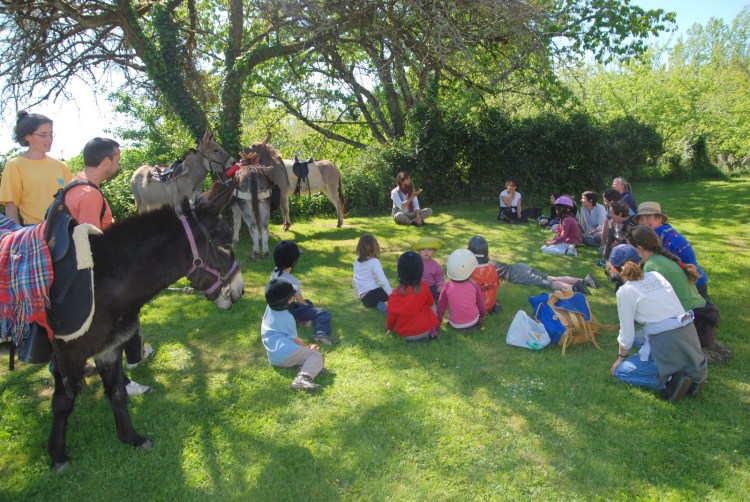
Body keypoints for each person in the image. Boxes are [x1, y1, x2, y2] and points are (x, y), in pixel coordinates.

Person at [64, 138, 154, 396]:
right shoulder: (89, 196)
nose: (118, 165)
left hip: (76, 271)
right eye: (117, 160)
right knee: (110, 329)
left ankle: (135, 355)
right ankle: (119, 383)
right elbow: (92, 244)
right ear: (106, 161)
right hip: (94, 276)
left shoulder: (75, 183)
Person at [608, 244, 707, 401]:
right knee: (638, 339)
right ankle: (690, 371)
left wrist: (620, 358)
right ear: (640, 262)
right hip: (687, 335)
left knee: (621, 372)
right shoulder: (656, 276)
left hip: (664, 339)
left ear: (614, 268)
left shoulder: (625, 291)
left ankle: (671, 381)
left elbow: (626, 335)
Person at [628, 226, 722, 353]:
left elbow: (658, 307)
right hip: (702, 317)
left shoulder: (651, 266)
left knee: (633, 339)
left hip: (691, 323)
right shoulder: (663, 258)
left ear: (639, 248)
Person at [0, 111, 73, 225]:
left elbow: (73, 202)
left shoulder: (61, 166)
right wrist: (18, 234)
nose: (49, 139)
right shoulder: (15, 165)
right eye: (43, 135)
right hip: (33, 231)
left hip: (64, 229)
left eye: (51, 134)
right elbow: (11, 208)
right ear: (27, 136)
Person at [633, 201, 709, 299]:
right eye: (641, 219)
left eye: (648, 217)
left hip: (691, 284)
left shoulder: (659, 236)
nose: (644, 222)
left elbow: (658, 264)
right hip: (697, 278)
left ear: (659, 219)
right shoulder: (666, 230)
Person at [262, 278, 325, 392]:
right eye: (291, 297)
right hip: (284, 353)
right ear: (286, 301)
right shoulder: (287, 317)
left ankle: (307, 366)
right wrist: (307, 349)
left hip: (274, 356)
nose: (293, 298)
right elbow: (295, 339)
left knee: (310, 355)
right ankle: (302, 378)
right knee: (316, 355)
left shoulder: (270, 308)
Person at [270, 240, 338, 346]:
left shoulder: (274, 272)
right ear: (293, 262)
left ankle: (303, 321)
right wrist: (314, 310)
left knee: (308, 302)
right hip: (290, 311)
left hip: (279, 310)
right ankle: (321, 333)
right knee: (323, 313)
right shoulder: (292, 281)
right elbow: (302, 303)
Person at [386, 251, 440, 342]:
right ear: (420, 271)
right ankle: (433, 330)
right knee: (433, 305)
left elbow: (391, 316)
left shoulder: (395, 293)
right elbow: (431, 303)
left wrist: (389, 328)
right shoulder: (424, 287)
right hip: (424, 330)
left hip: (404, 334)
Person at [437, 249, 486, 330]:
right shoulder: (474, 286)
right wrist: (482, 315)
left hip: (454, 324)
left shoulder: (446, 287)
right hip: (473, 321)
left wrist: (438, 324)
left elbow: (441, 307)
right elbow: (482, 306)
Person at [353, 234, 392, 314]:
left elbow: (355, 279)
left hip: (364, 298)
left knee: (389, 291)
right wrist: (392, 296)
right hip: (373, 293)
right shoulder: (374, 262)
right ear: (375, 247)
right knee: (397, 294)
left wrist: (357, 294)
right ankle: (384, 305)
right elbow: (383, 281)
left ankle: (380, 304)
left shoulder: (356, 261)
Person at [467, 236, 501, 313]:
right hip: (491, 305)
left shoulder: (468, 272)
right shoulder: (492, 268)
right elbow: (496, 286)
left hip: (477, 309)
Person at [413, 236, 444, 302]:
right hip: (418, 286)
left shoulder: (435, 265)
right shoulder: (415, 263)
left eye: (429, 250)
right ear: (419, 251)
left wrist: (440, 285)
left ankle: (437, 306)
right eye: (423, 249)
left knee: (437, 299)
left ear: (433, 251)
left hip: (431, 287)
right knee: (416, 300)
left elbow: (439, 276)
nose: (426, 252)